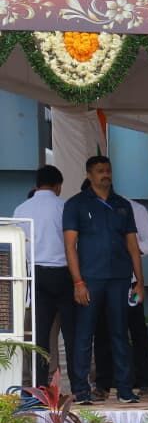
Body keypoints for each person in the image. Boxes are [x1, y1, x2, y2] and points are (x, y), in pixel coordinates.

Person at [62, 156, 145, 405]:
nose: (105, 175)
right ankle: (81, 390)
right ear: (89, 174)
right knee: (84, 334)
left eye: (108, 170)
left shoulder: (122, 205)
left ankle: (124, 389)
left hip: (119, 278)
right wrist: (78, 282)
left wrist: (139, 281)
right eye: (100, 171)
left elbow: (133, 245)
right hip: (90, 278)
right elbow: (70, 246)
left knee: (120, 333)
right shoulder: (75, 204)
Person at [92, 197, 148, 401]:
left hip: (129, 281)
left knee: (137, 330)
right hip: (101, 281)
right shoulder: (88, 208)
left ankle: (145, 382)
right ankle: (102, 385)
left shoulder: (135, 209)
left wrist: (129, 250)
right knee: (102, 332)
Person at [13, 165, 72, 387]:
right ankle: (78, 387)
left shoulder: (21, 209)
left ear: (36, 184)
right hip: (65, 274)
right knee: (71, 334)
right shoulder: (64, 207)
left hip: (35, 275)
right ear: (58, 186)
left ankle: (39, 386)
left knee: (39, 336)